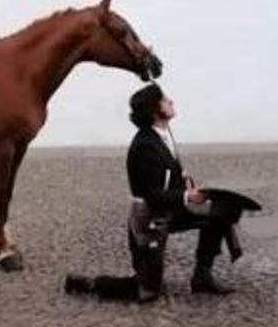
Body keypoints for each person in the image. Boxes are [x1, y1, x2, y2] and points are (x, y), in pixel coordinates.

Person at [64, 84, 238, 302]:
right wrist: (187, 196)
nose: (172, 101)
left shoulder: (164, 135)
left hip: (171, 210)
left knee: (220, 212)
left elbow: (167, 180)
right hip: (149, 219)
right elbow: (152, 196)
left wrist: (185, 184)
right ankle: (89, 284)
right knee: (147, 291)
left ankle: (202, 278)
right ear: (155, 111)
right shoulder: (144, 146)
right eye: (166, 100)